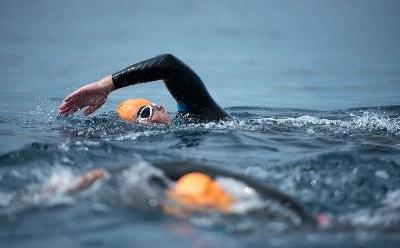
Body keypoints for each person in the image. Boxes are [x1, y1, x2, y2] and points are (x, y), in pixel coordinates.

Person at [58, 54, 230, 125]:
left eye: (145, 113)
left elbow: (168, 64)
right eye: (137, 124)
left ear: (161, 108)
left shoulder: (198, 116)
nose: (145, 124)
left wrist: (107, 85)